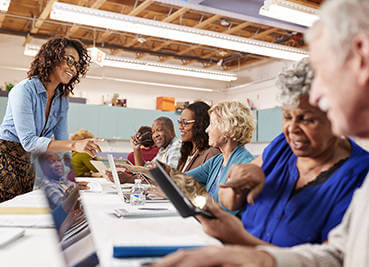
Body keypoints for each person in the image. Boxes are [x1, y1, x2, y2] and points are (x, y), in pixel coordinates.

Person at [153, 0, 369, 266]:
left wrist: (243, 244)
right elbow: (338, 256)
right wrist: (254, 254)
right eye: (287, 116)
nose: (319, 95)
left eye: (325, 74)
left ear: (361, 55)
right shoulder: (281, 148)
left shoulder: (358, 173)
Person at [188, 59, 369, 248]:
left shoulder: (359, 177)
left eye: (306, 119)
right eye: (287, 116)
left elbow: (327, 260)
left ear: (338, 117)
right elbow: (228, 200)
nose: (292, 128)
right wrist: (237, 185)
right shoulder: (283, 146)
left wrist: (239, 239)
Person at [0, 37, 102, 202]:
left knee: (23, 209)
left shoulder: (61, 100)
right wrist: (75, 144)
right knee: (6, 215)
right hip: (5, 158)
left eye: (76, 64)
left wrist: (70, 180)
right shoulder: (24, 91)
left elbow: (63, 142)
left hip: (29, 162)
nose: (73, 68)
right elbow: (29, 142)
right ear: (52, 57)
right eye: (69, 60)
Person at [185, 101, 255, 215]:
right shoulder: (217, 160)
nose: (207, 130)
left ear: (227, 128)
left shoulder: (245, 164)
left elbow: (231, 209)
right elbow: (183, 179)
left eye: (212, 124)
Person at [176, 101, 220, 172]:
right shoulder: (188, 151)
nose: (180, 127)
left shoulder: (211, 153)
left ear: (200, 124)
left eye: (185, 123)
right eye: (179, 122)